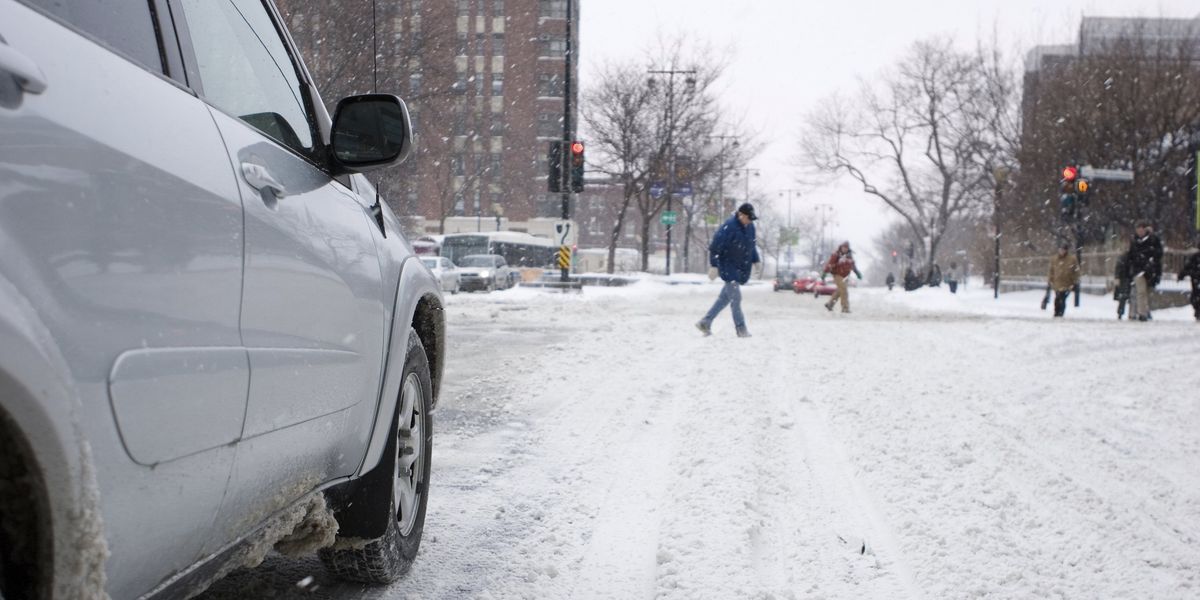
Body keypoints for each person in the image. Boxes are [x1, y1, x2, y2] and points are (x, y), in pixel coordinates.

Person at [696, 203, 761, 337]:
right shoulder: (729, 227)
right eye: (748, 218)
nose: (750, 221)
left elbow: (751, 246)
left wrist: (756, 260)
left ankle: (705, 322)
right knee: (736, 298)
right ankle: (741, 328)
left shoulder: (750, 227)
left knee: (724, 298)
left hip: (740, 267)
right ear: (741, 215)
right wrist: (714, 265)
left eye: (751, 219)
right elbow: (715, 246)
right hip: (728, 266)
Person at [1127, 220, 1163, 321]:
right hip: (1139, 270)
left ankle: (1145, 311)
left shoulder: (1152, 240)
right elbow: (1131, 255)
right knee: (1141, 292)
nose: (1139, 232)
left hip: (1150, 270)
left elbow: (1158, 253)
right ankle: (1142, 313)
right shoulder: (1135, 240)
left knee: (1147, 292)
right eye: (1138, 230)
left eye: (1141, 230)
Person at [822, 241, 863, 313]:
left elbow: (853, 266)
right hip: (837, 275)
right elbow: (830, 264)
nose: (845, 249)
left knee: (840, 291)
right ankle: (845, 308)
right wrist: (825, 272)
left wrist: (857, 273)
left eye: (846, 248)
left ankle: (830, 304)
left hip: (845, 276)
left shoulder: (849, 256)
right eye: (843, 247)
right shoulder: (836, 255)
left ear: (848, 248)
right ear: (841, 247)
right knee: (844, 290)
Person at [1047, 243, 1080, 318]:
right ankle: (1057, 312)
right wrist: (1050, 279)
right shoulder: (1054, 259)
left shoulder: (1072, 259)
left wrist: (1075, 280)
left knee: (1062, 298)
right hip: (1057, 282)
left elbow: (1076, 271)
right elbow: (1051, 270)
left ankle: (1060, 312)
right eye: (1060, 249)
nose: (1061, 251)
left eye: (1063, 250)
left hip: (1067, 283)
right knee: (1057, 298)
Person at [1179, 240, 1200, 321]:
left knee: (1196, 296)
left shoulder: (1195, 257)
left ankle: (1198, 311)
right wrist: (1182, 274)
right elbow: (1188, 267)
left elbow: (1188, 267)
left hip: (1195, 279)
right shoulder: (1195, 257)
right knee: (1196, 296)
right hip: (1196, 279)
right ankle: (1197, 311)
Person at [1113, 251, 1132, 320]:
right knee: (1125, 297)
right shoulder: (1127, 257)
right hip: (1126, 278)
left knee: (1123, 298)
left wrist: (1117, 277)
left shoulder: (1123, 257)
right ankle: (1125, 313)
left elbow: (1118, 268)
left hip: (1125, 278)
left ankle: (1121, 313)